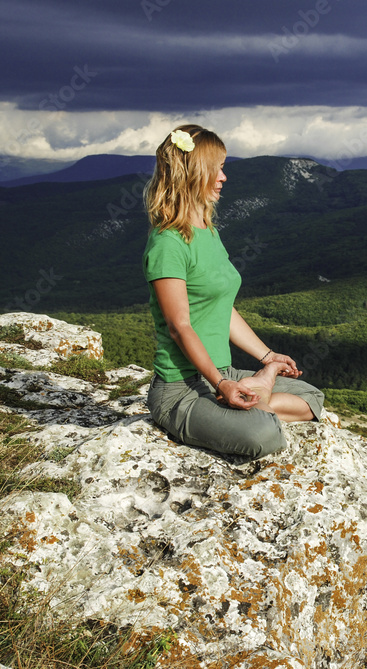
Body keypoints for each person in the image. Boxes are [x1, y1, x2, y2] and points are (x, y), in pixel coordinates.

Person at [142, 124, 324, 459]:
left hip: (222, 373)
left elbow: (222, 309)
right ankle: (256, 395)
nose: (223, 177)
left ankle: (258, 388)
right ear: (192, 173)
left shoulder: (207, 232)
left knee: (312, 397)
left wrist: (267, 357)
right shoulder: (167, 243)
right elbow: (179, 326)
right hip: (181, 389)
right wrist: (221, 384)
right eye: (216, 169)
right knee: (262, 436)